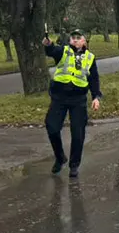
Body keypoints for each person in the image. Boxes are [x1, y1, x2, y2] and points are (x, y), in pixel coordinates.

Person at [42, 30, 102, 178]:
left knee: (78, 134)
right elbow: (52, 51)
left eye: (78, 38)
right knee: (52, 127)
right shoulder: (64, 51)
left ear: (84, 41)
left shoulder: (90, 57)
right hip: (59, 98)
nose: (75, 40)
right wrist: (49, 45)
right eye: (72, 38)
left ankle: (74, 165)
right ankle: (60, 157)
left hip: (78, 100)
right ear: (69, 41)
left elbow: (94, 78)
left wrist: (95, 97)